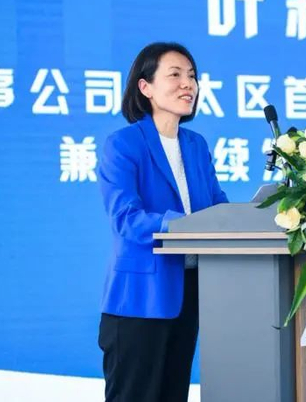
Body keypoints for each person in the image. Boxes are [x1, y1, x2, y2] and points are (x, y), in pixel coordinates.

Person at [97, 42, 229, 401]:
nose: (188, 84)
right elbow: (126, 219)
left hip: (188, 297)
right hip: (139, 300)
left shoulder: (196, 146)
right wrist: (186, 226)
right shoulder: (123, 144)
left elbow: (218, 206)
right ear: (146, 87)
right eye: (175, 75)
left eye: (192, 76)